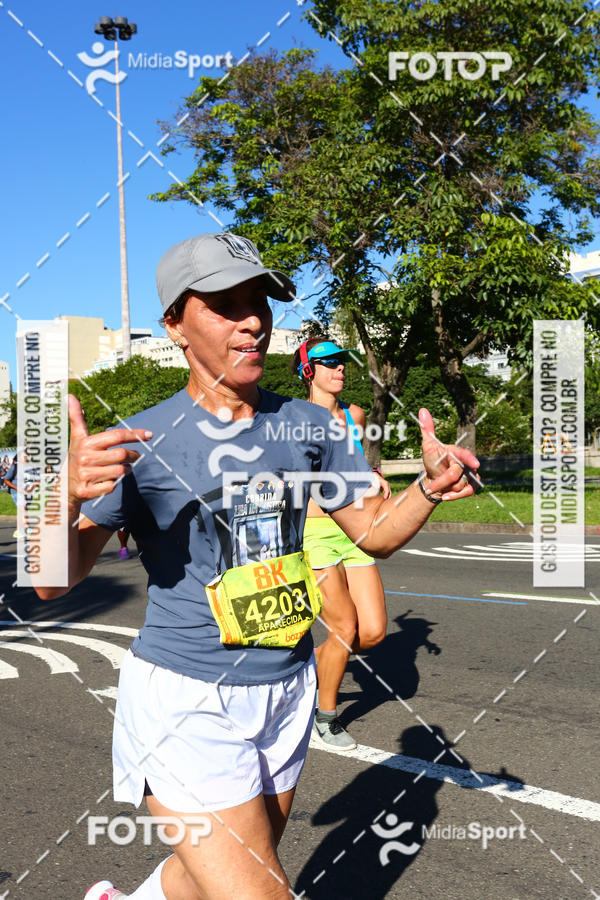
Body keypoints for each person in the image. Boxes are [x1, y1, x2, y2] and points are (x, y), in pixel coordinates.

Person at [33, 232, 478, 900]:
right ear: (174, 326)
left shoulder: (309, 426)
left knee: (206, 870)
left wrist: (426, 490)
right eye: (223, 304)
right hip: (188, 700)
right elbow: (50, 580)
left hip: (285, 685)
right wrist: (56, 496)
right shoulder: (142, 441)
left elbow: (374, 535)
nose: (252, 321)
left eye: (259, 303)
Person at [292, 337, 391, 751]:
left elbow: (353, 461)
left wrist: (372, 473)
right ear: (308, 370)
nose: (340, 368)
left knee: (372, 632)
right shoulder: (293, 420)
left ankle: (300, 669)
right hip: (314, 535)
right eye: (327, 362)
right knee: (344, 628)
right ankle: (325, 718)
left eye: (342, 361)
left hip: (355, 531)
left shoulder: (355, 414)